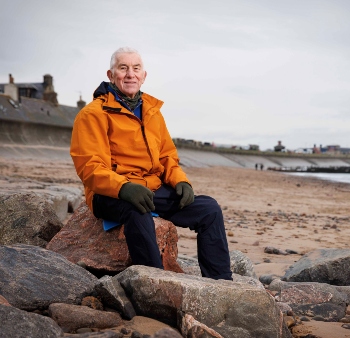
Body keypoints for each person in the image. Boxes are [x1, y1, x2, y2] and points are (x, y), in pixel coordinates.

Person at [70, 47, 232, 280]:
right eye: (123, 68)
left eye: (136, 69)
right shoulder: (93, 114)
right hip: (110, 194)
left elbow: (167, 157)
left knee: (209, 209)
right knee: (138, 209)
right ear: (110, 74)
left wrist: (181, 181)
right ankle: (156, 284)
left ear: (144, 76)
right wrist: (124, 188)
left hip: (150, 189)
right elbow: (90, 168)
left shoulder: (153, 112)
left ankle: (221, 283)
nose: (130, 74)